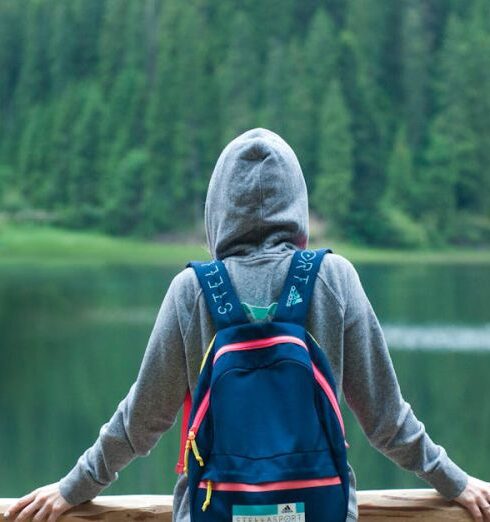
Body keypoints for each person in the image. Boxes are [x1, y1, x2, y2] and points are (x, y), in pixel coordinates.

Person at [5, 128, 490, 522]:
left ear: (217, 207)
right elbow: (387, 422)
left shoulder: (192, 290)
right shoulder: (334, 279)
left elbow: (142, 422)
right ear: (297, 202)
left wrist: (72, 489)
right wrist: (455, 481)